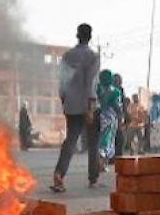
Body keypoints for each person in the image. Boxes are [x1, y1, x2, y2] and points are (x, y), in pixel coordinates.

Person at [52, 23, 100, 192]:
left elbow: (62, 82)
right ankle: (93, 178)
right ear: (90, 37)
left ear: (77, 35)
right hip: (86, 104)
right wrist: (90, 107)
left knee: (71, 141)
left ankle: (59, 174)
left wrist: (64, 99)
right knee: (93, 142)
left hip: (70, 104)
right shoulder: (92, 56)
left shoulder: (67, 56)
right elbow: (90, 83)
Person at [96, 70, 123, 172]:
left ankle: (100, 163)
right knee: (107, 141)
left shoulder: (98, 89)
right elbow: (118, 107)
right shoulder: (115, 91)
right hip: (110, 118)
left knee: (101, 140)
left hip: (99, 116)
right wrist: (120, 119)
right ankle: (102, 164)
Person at [113, 73, 127, 159]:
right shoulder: (119, 90)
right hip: (117, 115)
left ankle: (115, 155)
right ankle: (118, 155)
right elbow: (123, 103)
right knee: (118, 135)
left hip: (114, 115)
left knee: (115, 136)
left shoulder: (110, 89)